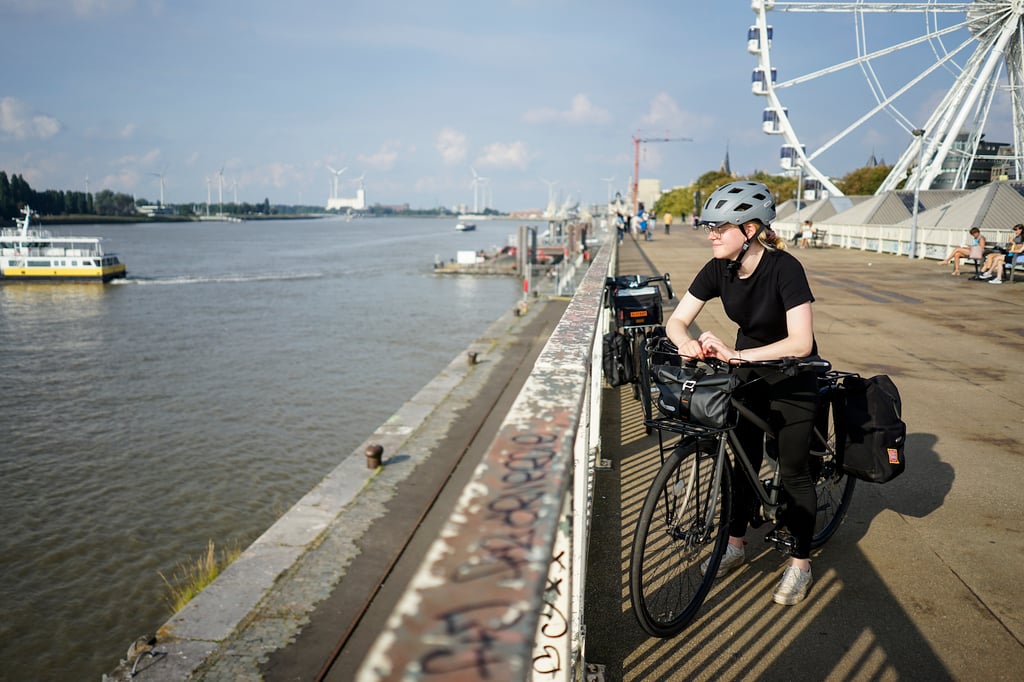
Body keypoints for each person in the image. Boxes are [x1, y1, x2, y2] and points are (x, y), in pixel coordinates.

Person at [664, 180, 820, 606]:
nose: (711, 233)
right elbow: (676, 321)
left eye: (719, 226)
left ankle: (801, 565)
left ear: (750, 230)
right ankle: (735, 543)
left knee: (793, 472)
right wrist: (687, 344)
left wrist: (739, 355)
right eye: (708, 226)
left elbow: (800, 341)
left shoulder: (785, 268)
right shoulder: (719, 268)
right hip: (746, 374)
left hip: (792, 377)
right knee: (741, 461)